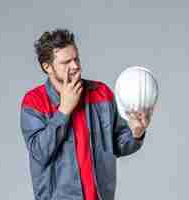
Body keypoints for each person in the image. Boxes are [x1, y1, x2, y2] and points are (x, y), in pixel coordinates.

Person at [20, 29, 152, 200]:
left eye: (76, 59)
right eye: (66, 62)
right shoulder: (34, 102)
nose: (75, 66)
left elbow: (117, 146)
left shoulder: (101, 93)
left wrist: (136, 133)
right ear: (47, 67)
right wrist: (64, 111)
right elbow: (39, 152)